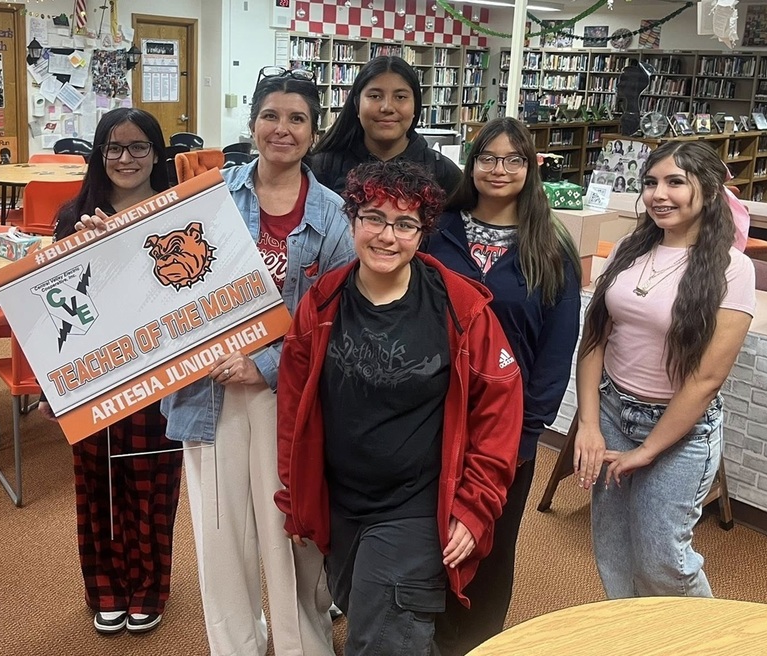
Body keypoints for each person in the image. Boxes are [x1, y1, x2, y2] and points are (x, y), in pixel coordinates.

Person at [275, 159, 524, 656]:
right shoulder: (323, 302)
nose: (387, 236)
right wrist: (297, 494)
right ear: (352, 221)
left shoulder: (459, 308)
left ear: (421, 233)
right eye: (373, 217)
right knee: (367, 614)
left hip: (415, 506)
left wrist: (474, 507)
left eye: (405, 224)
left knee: (379, 638)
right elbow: (294, 404)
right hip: (343, 503)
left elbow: (498, 414)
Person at [160, 67, 354, 656]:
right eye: (271, 115)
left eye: (297, 118)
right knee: (222, 537)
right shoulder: (208, 196)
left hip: (287, 396)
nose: (282, 129)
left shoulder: (334, 216)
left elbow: (336, 321)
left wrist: (265, 366)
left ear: (313, 133)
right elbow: (161, 276)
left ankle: (306, 646)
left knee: (290, 533)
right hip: (206, 393)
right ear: (252, 123)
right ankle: (238, 645)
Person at [425, 117, 582, 654]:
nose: (499, 169)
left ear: (530, 168)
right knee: (432, 535)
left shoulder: (551, 244)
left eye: (513, 159)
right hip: (431, 415)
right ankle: (430, 637)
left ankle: (478, 643)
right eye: (488, 157)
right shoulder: (438, 229)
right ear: (472, 164)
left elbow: (557, 350)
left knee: (491, 542)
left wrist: (528, 433)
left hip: (507, 428)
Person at [573, 139, 755, 599]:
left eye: (675, 182)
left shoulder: (733, 269)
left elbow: (707, 379)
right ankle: (632, 640)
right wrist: (589, 425)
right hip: (614, 414)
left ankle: (710, 643)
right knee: (613, 550)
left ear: (710, 191)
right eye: (651, 182)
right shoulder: (629, 250)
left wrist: (649, 449)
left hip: (679, 431)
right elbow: (594, 340)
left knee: (663, 561)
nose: (659, 194)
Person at [39, 107, 182, 635]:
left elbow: (188, 292)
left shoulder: (178, 215)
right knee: (96, 485)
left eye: (139, 147)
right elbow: (50, 308)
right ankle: (105, 587)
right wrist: (85, 248)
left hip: (160, 375)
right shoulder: (73, 216)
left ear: (157, 154)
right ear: (100, 156)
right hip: (93, 377)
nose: (126, 158)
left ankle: (149, 588)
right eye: (114, 148)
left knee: (152, 485)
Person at [310, 55, 462, 195]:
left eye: (400, 97)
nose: (387, 107)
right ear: (357, 105)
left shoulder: (443, 172)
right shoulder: (323, 166)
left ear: (415, 106)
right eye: (375, 96)